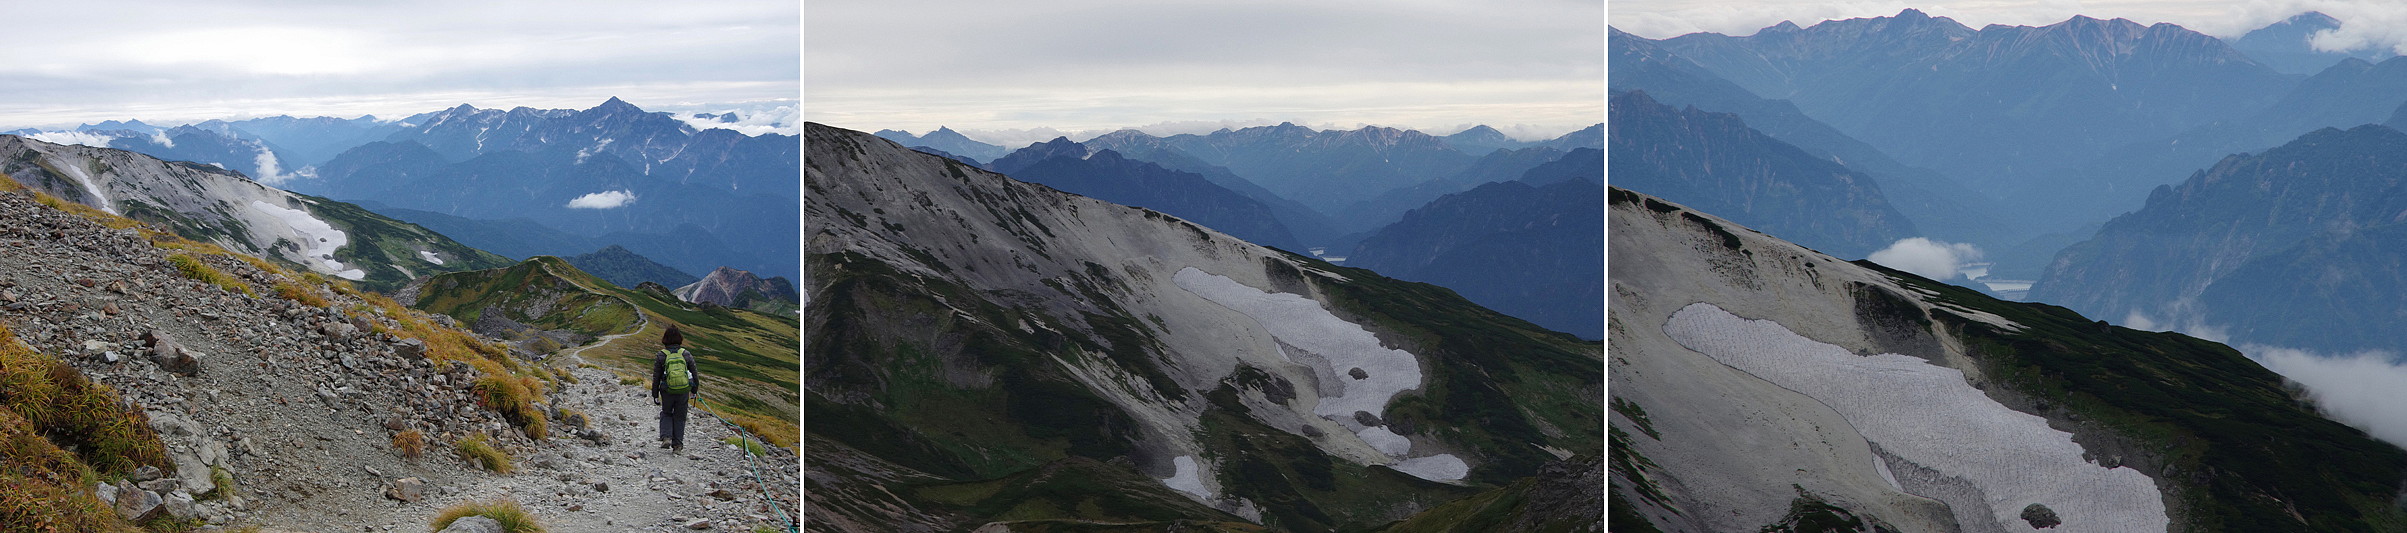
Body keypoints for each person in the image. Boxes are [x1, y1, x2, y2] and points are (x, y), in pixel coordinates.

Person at [651, 326, 699, 454]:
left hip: (667, 390)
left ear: (665, 339)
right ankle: (677, 446)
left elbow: (656, 377)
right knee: (680, 417)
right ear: (679, 339)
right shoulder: (686, 354)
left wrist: (654, 394)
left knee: (666, 412)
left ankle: (666, 437)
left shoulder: (661, 355)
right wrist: (694, 390)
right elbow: (694, 374)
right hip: (683, 390)